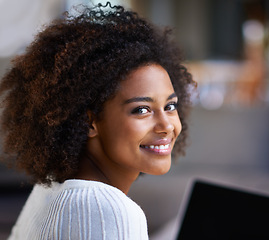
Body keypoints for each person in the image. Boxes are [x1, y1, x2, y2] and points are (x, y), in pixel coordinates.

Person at [0, 3, 195, 239]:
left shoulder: (51, 187)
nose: (166, 126)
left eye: (170, 106)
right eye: (141, 109)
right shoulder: (109, 211)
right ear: (90, 121)